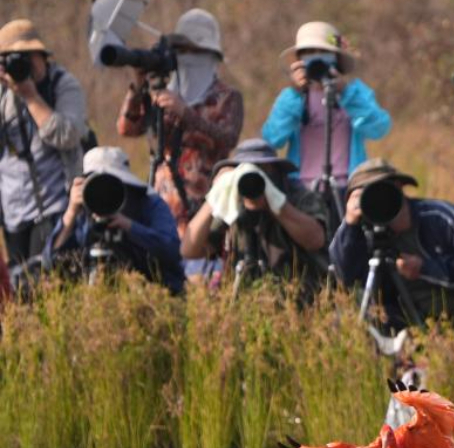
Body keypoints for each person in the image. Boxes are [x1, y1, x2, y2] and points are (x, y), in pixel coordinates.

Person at [331, 158, 454, 335]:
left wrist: (425, 268)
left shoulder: (439, 216)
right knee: (362, 319)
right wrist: (350, 224)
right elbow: (345, 277)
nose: (380, 200)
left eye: (385, 191)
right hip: (414, 319)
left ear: (400, 189)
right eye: (370, 195)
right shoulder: (361, 232)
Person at [116, 9, 243, 262]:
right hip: (162, 200)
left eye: (193, 52)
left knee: (197, 269)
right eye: (181, 52)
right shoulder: (162, 95)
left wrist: (186, 113)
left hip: (203, 202)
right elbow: (126, 128)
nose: (187, 59)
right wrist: (138, 86)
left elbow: (227, 139)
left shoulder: (226, 97)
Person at [261, 21, 391, 199]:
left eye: (323, 52)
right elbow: (272, 139)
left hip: (350, 187)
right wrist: (295, 94)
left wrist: (345, 93)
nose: (316, 57)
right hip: (301, 188)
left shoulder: (354, 92)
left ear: (336, 58)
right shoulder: (292, 97)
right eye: (308, 53)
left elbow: (379, 128)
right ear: (299, 61)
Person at [183, 139, 328, 291]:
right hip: (244, 298)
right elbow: (189, 250)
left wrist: (276, 203)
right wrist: (217, 194)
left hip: (296, 295)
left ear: (277, 173)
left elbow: (316, 240)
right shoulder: (231, 202)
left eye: (263, 171)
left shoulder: (298, 197)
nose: (252, 181)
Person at [0, 19, 88, 267]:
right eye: (13, 60)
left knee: (49, 281)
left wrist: (30, 96)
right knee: (20, 287)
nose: (22, 66)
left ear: (42, 56)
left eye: (28, 58)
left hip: (56, 206)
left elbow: (68, 135)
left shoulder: (62, 84)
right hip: (13, 213)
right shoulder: (3, 94)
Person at [49, 146, 184, 294]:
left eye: (111, 188)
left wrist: (130, 227)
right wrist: (71, 212)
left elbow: (173, 250)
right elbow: (50, 263)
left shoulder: (148, 202)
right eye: (97, 188)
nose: (104, 196)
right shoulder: (82, 208)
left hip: (152, 292)